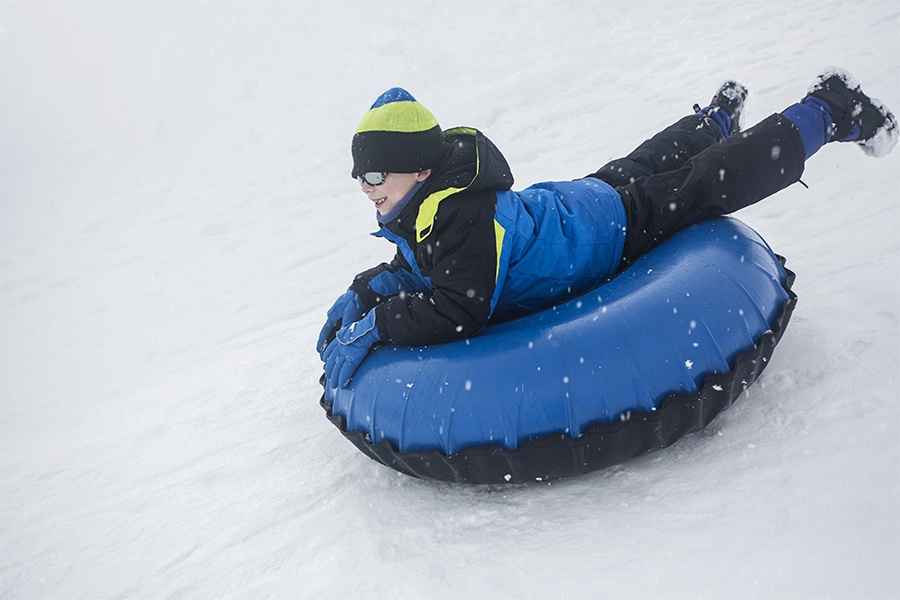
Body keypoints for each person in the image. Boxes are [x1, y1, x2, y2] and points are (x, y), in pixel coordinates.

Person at [319, 68, 897, 390]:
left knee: (706, 184)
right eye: (358, 176)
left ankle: (829, 109)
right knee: (644, 166)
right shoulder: (430, 204)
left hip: (604, 234)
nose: (367, 187)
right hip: (574, 208)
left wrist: (381, 326)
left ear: (420, 169)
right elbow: (424, 263)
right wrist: (369, 287)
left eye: (375, 173)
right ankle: (714, 119)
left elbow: (458, 307)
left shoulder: (456, 216)